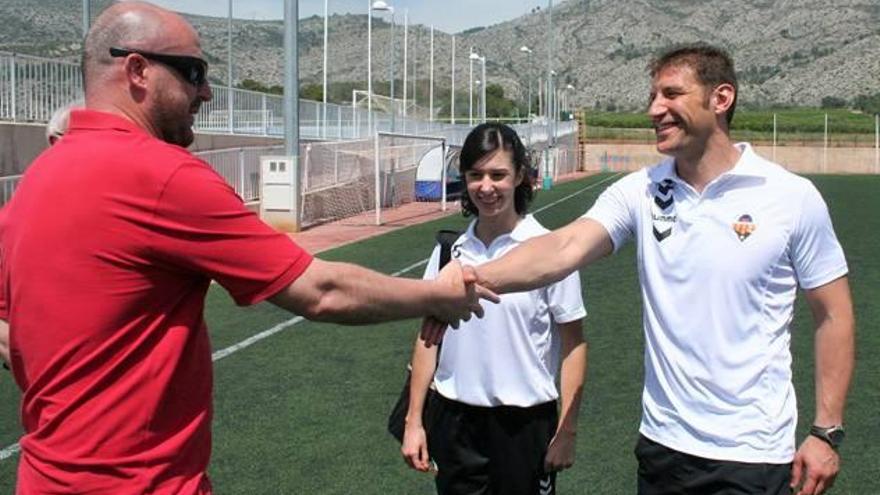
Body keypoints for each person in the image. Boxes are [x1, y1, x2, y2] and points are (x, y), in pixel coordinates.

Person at [0, 2, 495, 494]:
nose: (206, 91)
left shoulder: (34, 181)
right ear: (137, 70)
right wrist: (439, 295)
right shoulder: (161, 175)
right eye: (193, 72)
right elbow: (320, 291)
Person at [429, 44, 855, 495]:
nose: (655, 109)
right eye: (653, 96)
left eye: (671, 94)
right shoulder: (641, 191)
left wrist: (826, 431)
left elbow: (834, 315)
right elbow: (562, 247)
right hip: (662, 448)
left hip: (751, 455)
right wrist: (470, 278)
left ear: (721, 98)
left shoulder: (790, 196)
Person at [402, 123, 587, 495]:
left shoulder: (549, 251)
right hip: (455, 422)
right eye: (476, 175)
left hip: (525, 427)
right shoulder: (448, 253)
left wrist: (566, 430)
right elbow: (428, 339)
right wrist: (414, 420)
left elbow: (573, 344)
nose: (486, 187)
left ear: (520, 175)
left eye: (498, 174)